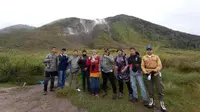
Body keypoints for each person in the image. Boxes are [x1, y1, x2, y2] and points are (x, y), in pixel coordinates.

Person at [141, 46, 167, 112]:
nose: (149, 51)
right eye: (147, 50)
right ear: (146, 51)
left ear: (152, 50)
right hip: (148, 74)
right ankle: (152, 101)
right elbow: (142, 66)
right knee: (150, 88)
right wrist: (145, 72)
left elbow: (160, 65)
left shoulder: (156, 57)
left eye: (150, 50)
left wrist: (155, 70)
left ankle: (162, 104)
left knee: (159, 88)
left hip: (156, 74)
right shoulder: (144, 57)